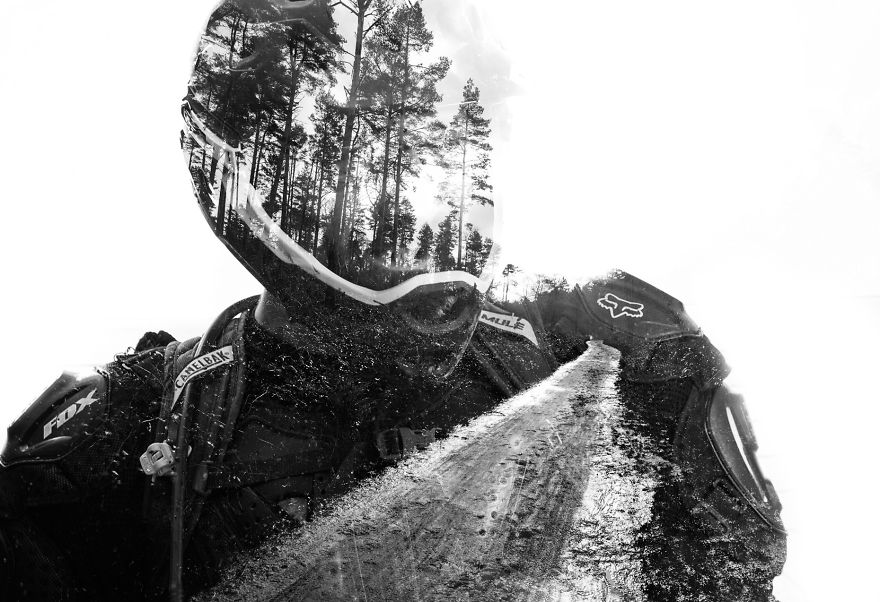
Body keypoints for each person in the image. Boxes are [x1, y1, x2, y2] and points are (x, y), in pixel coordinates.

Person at [0, 1, 785, 600]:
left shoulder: (582, 346)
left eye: (452, 184)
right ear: (256, 181)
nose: (431, 237)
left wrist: (681, 434)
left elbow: (728, 579)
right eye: (369, 195)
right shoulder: (133, 424)